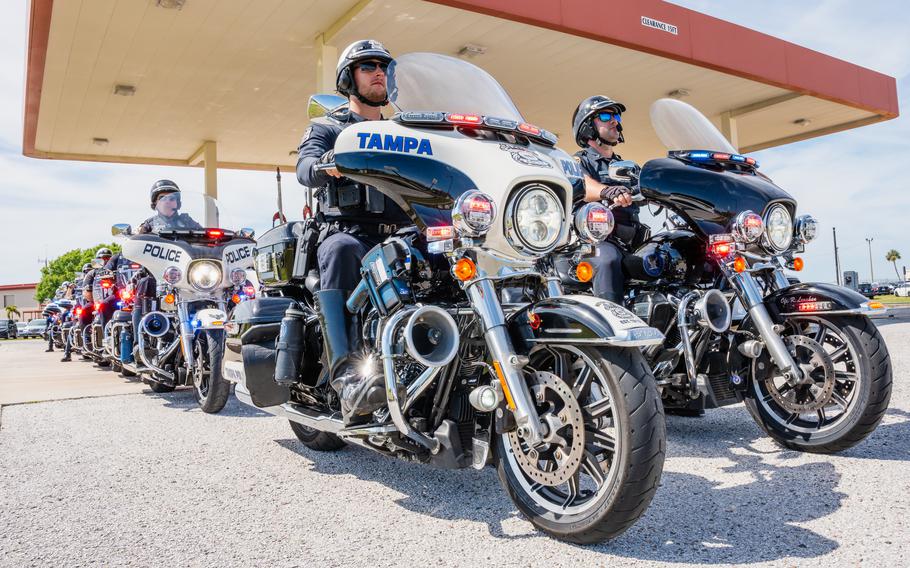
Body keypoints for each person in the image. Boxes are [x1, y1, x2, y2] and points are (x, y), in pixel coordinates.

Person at [295, 39, 411, 424]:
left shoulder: (407, 131)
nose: (379, 72)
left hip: (406, 233)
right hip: (352, 232)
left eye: (384, 66)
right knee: (340, 250)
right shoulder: (329, 127)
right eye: (368, 66)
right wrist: (328, 163)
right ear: (350, 77)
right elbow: (305, 167)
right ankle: (347, 375)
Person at [571, 95, 646, 304]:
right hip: (598, 241)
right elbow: (583, 185)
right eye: (605, 116)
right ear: (588, 127)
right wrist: (607, 191)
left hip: (632, 239)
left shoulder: (629, 166)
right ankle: (614, 326)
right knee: (608, 261)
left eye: (616, 116)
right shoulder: (578, 162)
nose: (614, 121)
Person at [137, 180, 203, 234]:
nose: (167, 201)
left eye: (171, 198)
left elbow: (205, 239)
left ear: (178, 203)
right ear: (155, 203)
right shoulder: (149, 225)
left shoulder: (188, 222)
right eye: (162, 198)